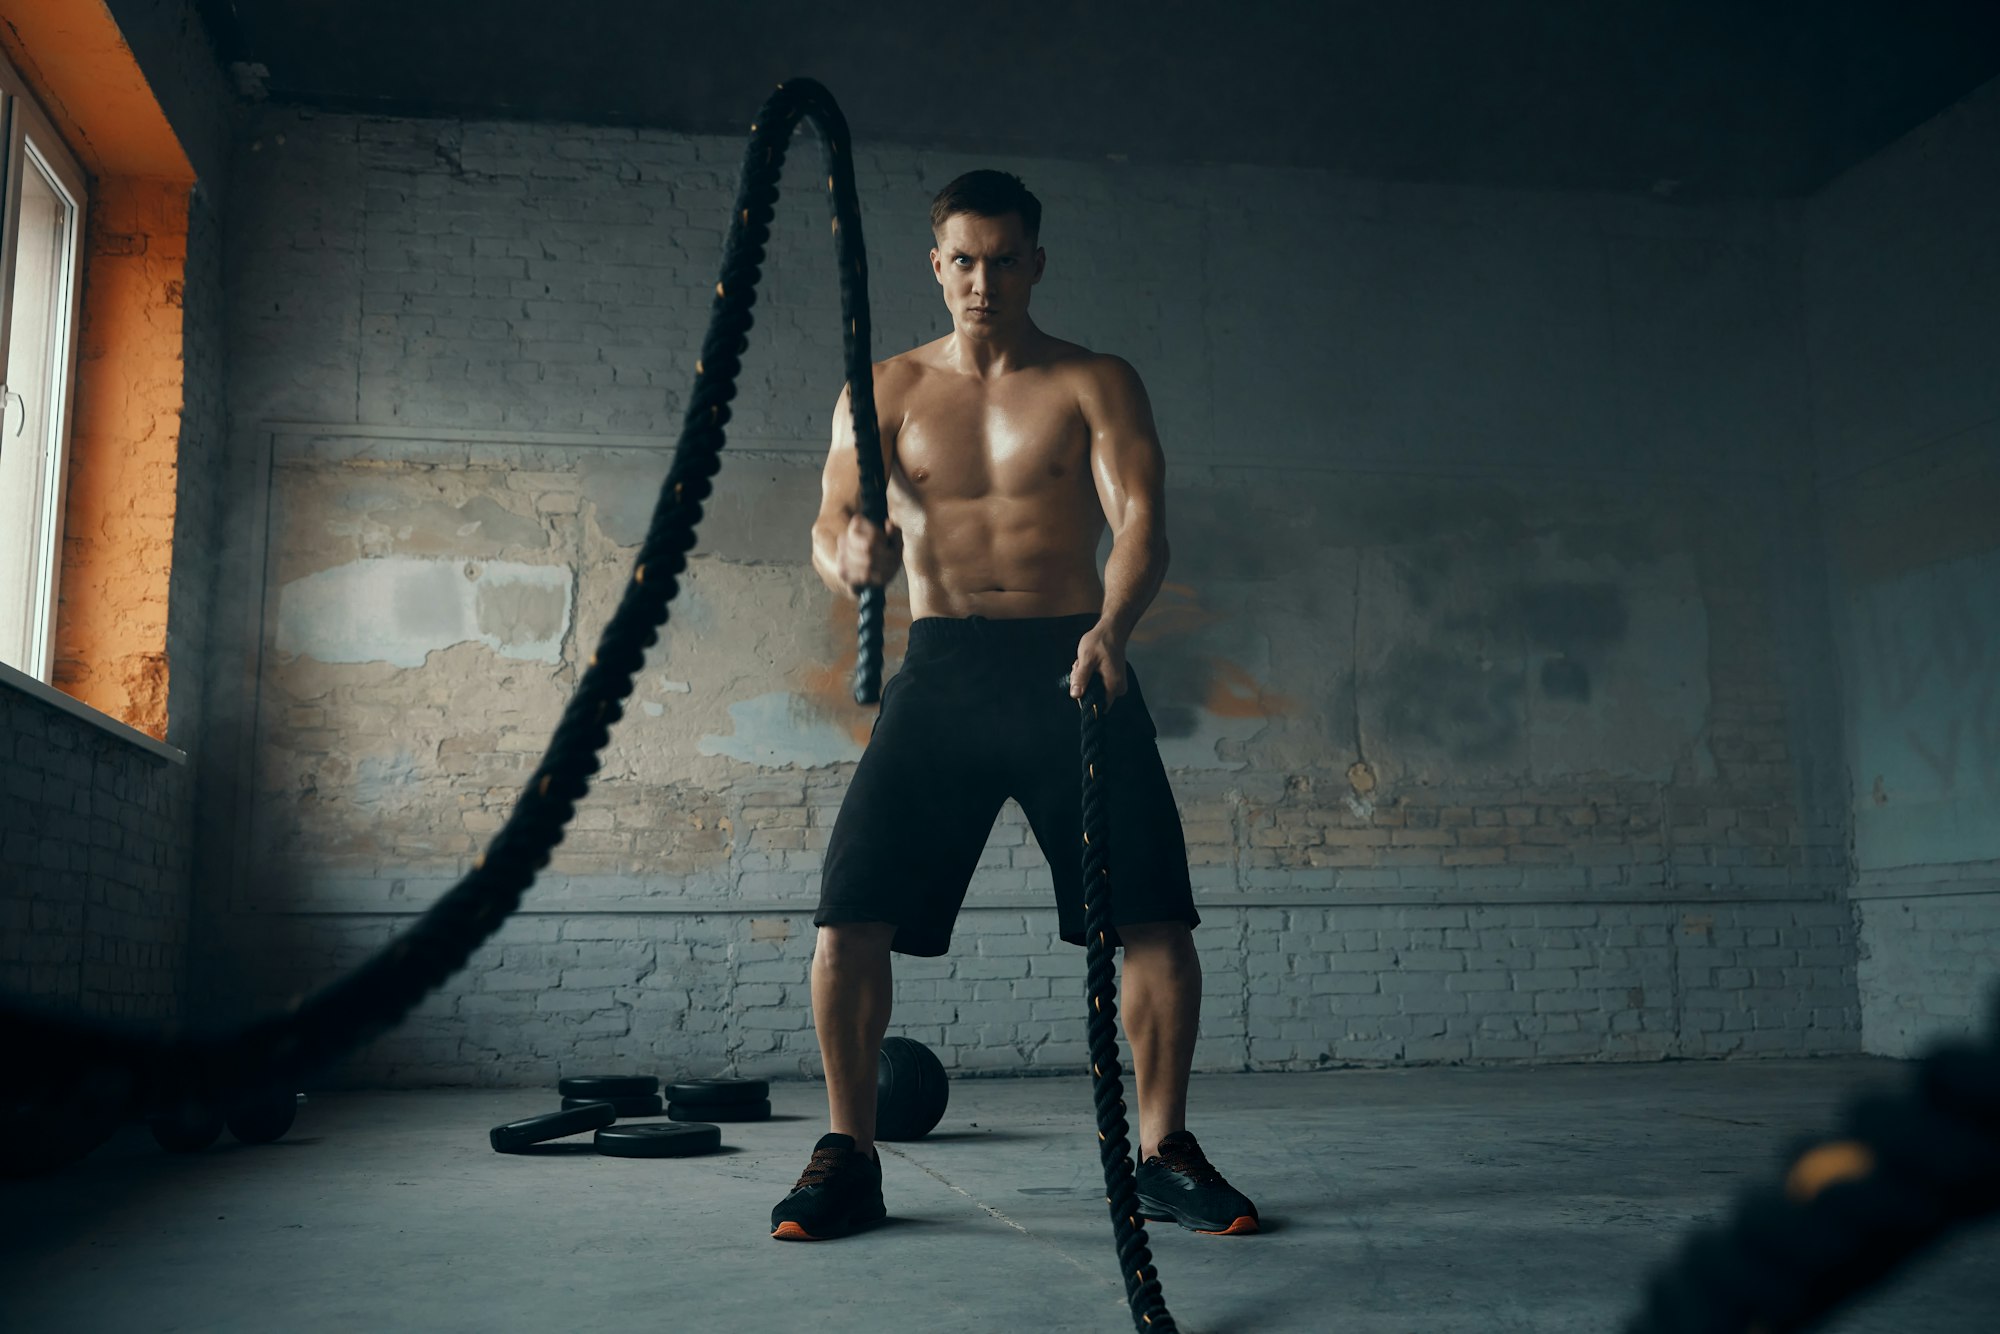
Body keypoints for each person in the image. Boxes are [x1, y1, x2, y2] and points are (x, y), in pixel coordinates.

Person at [770, 170, 1258, 1242]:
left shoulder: (1094, 381)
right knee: (846, 920)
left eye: (1002, 259)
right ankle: (848, 1155)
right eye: (962, 260)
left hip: (1074, 659)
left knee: (1154, 919)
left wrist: (1111, 630)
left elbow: (1140, 523)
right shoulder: (883, 387)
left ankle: (1163, 1149)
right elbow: (829, 521)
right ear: (934, 264)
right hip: (941, 667)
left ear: (1035, 262)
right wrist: (845, 552)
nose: (981, 281)